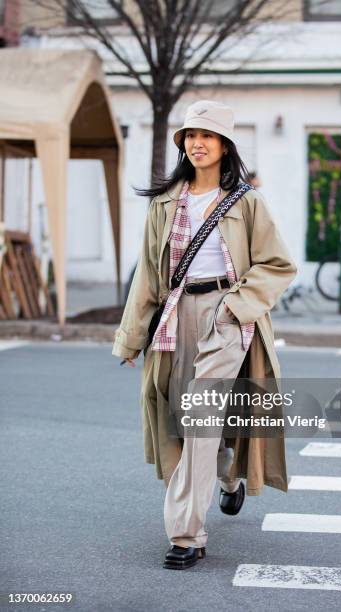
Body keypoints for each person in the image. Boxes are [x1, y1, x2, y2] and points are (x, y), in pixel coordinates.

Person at [112, 99, 297, 570]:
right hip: (176, 314)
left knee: (198, 416)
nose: (197, 143)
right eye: (191, 135)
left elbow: (277, 264)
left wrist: (236, 308)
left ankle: (187, 535)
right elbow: (149, 281)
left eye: (207, 135)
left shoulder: (248, 203)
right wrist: (131, 338)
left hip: (228, 316)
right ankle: (227, 479)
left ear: (225, 145)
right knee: (184, 419)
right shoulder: (164, 205)